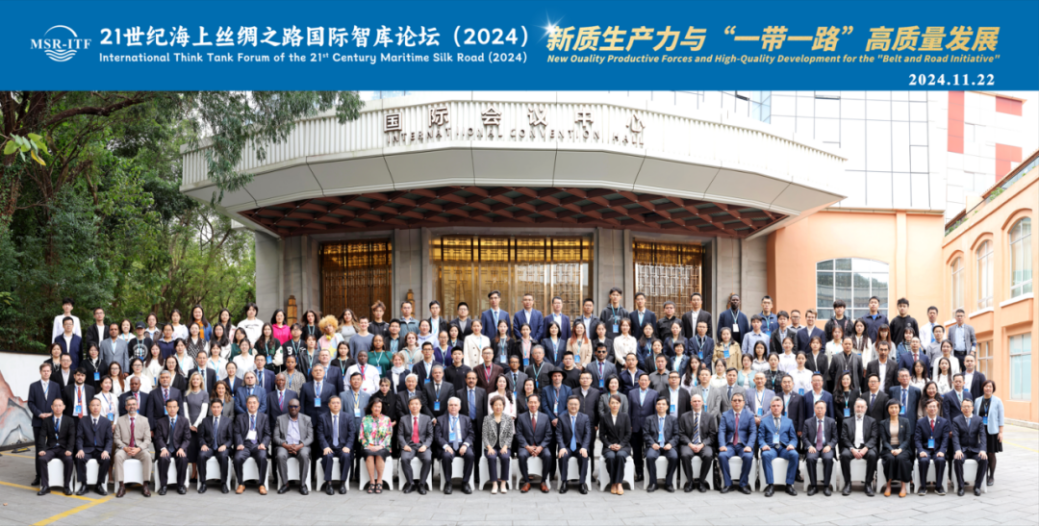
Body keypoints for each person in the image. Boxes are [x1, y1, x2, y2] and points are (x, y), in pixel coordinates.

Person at [113, 395, 153, 497]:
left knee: (147, 456)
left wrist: (139, 448)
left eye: (134, 404)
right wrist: (124, 447)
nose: (132, 406)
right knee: (117, 456)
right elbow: (116, 438)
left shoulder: (144, 420)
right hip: (125, 449)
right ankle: (121, 486)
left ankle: (145, 485)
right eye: (129, 405)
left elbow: (147, 439)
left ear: (137, 406)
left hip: (139, 449)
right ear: (126, 407)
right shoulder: (120, 420)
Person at [758, 396, 799, 496]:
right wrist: (763, 445)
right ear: (770, 407)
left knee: (794, 454)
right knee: (765, 455)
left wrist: (791, 444)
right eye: (773, 406)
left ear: (782, 407)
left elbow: (794, 438)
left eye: (778, 405)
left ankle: (789, 485)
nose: (776, 407)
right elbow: (760, 438)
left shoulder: (788, 421)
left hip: (784, 448)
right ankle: (770, 485)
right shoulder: (764, 421)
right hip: (770, 448)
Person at [35, 398, 75, 496]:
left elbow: (72, 436)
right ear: (52, 407)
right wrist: (41, 449)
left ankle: (66, 486)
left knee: (69, 460)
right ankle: (45, 486)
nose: (58, 407)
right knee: (42, 459)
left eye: (60, 405)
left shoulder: (69, 420)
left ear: (64, 407)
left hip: (63, 448)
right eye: (55, 405)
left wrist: (69, 449)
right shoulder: (47, 421)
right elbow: (42, 436)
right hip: (51, 448)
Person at [316, 396, 356, 494]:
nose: (336, 405)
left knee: (346, 456)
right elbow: (320, 434)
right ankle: (329, 483)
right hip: (329, 446)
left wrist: (348, 446)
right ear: (329, 405)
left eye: (338, 403)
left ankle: (342, 483)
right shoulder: (322, 417)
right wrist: (325, 447)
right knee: (328, 456)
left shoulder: (347, 417)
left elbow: (352, 433)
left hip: (342, 447)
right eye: (333, 403)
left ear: (341, 405)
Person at [73, 399, 112, 496]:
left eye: (97, 405)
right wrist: (80, 449)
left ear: (101, 407)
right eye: (93, 405)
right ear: (89, 407)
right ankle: (84, 485)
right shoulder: (83, 421)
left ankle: (99, 485)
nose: (95, 407)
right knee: (79, 458)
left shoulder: (106, 422)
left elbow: (109, 439)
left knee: (106, 459)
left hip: (100, 450)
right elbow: (79, 437)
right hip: (87, 449)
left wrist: (106, 451)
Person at [717, 392, 755, 494]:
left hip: (743, 445)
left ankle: (743, 484)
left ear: (743, 402)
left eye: (739, 400)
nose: (737, 402)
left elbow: (753, 432)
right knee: (722, 455)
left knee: (748, 456)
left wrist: (749, 446)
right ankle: (728, 484)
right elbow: (721, 431)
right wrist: (722, 445)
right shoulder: (725, 415)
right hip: (729, 445)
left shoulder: (750, 415)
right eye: (735, 400)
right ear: (731, 402)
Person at [676, 393, 714, 493]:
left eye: (698, 401)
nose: (697, 403)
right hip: (689, 444)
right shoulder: (684, 416)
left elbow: (712, 435)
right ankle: (690, 482)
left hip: (703, 444)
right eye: (694, 401)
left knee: (709, 455)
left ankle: (701, 481)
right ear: (691, 403)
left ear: (702, 402)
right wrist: (690, 444)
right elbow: (681, 433)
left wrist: (702, 444)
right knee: (684, 455)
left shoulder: (709, 417)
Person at [839, 398, 878, 496]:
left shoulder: (872, 421)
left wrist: (866, 448)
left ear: (866, 408)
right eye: (858, 407)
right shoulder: (846, 421)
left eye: (862, 407)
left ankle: (868, 484)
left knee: (872, 455)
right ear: (854, 407)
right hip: (851, 446)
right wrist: (852, 449)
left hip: (866, 447)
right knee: (844, 455)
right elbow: (844, 438)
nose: (860, 409)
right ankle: (848, 483)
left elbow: (874, 437)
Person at [436, 397, 475, 494]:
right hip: (448, 444)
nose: (453, 407)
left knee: (470, 455)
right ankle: (448, 483)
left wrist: (465, 445)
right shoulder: (440, 419)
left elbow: (471, 434)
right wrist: (446, 446)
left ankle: (465, 482)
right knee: (446, 456)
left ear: (459, 407)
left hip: (462, 444)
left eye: (455, 405)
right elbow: (437, 436)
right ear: (447, 407)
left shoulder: (466, 419)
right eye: (451, 405)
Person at [555, 396, 593, 495]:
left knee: (583, 456)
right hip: (567, 446)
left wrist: (584, 447)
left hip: (579, 446)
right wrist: (562, 447)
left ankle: (582, 483)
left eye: (575, 404)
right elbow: (558, 434)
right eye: (571, 404)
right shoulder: (562, 418)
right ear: (567, 405)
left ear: (579, 405)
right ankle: (564, 482)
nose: (573, 406)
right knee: (562, 456)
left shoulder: (585, 417)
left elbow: (588, 434)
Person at [233, 395, 270, 495]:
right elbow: (236, 432)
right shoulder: (240, 417)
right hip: (244, 444)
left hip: (258, 444)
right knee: (237, 458)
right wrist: (239, 443)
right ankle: (241, 483)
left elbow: (267, 434)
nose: (252, 405)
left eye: (254, 403)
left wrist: (263, 444)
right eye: (250, 403)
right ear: (246, 405)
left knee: (262, 457)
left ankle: (261, 484)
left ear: (258, 404)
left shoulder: (264, 417)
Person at [951, 398, 988, 496]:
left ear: (972, 408)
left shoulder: (978, 419)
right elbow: (955, 437)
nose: (966, 408)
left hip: (975, 449)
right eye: (964, 406)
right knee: (957, 459)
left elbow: (983, 436)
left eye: (968, 406)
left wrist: (983, 450)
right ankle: (961, 486)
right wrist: (958, 450)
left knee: (984, 459)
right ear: (961, 408)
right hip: (963, 449)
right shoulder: (956, 420)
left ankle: (977, 486)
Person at [155, 399, 191, 495]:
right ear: (166, 408)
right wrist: (163, 448)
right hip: (166, 447)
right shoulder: (161, 421)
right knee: (163, 458)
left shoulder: (184, 421)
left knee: (182, 459)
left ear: (178, 408)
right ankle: (163, 486)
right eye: (170, 407)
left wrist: (182, 448)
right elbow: (158, 438)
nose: (172, 409)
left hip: (179, 447)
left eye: (174, 407)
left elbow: (187, 438)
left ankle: (180, 485)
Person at [642, 397, 678, 492]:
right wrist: (652, 443)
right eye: (658, 404)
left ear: (667, 407)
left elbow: (677, 435)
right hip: (655, 446)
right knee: (650, 457)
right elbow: (645, 434)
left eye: (663, 404)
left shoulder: (673, 419)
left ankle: (668, 483)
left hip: (667, 446)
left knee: (674, 457)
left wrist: (670, 444)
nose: (661, 406)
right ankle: (653, 483)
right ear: (655, 406)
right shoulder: (649, 419)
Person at [399, 396, 434, 494]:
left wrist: (425, 446)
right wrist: (404, 445)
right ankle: (410, 483)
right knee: (404, 459)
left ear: (420, 406)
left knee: (427, 459)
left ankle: (422, 484)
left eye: (416, 404)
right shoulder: (403, 419)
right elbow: (400, 435)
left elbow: (430, 435)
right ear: (409, 406)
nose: (414, 406)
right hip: (409, 446)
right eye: (412, 404)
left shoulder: (427, 418)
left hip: (422, 445)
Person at [197, 398, 232, 494]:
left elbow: (231, 439)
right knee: (201, 455)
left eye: (218, 407)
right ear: (211, 408)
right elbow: (200, 437)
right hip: (209, 447)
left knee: (223, 456)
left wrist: (225, 445)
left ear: (222, 408)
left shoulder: (228, 421)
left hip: (222, 447)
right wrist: (203, 444)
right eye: (214, 407)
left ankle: (223, 483)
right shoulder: (205, 420)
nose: (216, 409)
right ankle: (203, 483)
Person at [915, 398, 950, 495]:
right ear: (926, 409)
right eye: (930, 406)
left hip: (938, 449)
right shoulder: (920, 422)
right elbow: (917, 439)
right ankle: (923, 486)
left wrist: (942, 451)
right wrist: (921, 450)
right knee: (923, 460)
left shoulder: (943, 422)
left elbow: (945, 439)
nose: (932, 408)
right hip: (925, 449)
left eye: (934, 406)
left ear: (937, 408)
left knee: (940, 460)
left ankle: (938, 487)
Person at [803, 399, 837, 496]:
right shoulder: (808, 422)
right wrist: (809, 446)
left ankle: (826, 486)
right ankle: (814, 486)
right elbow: (804, 437)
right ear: (814, 409)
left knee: (828, 458)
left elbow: (835, 437)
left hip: (826, 446)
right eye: (817, 408)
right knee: (810, 458)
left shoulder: (831, 421)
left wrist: (830, 446)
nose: (819, 410)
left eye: (822, 408)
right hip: (813, 446)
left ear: (825, 409)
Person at [878, 398, 912, 498]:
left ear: (899, 409)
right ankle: (888, 485)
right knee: (890, 458)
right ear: (887, 409)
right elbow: (884, 441)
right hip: (888, 448)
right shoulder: (883, 423)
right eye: (891, 407)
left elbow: (907, 439)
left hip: (903, 448)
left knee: (901, 458)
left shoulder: (905, 421)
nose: (894, 409)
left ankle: (903, 486)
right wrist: (891, 450)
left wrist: (900, 449)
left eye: (896, 407)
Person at [600, 393, 632, 495]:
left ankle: (618, 483)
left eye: (617, 403)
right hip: (609, 445)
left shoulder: (625, 416)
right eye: (612, 403)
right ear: (608, 404)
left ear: (620, 404)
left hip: (623, 445)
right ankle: (613, 482)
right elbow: (601, 435)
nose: (615, 405)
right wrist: (610, 445)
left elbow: (628, 433)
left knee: (620, 455)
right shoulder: (604, 417)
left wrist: (620, 445)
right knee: (610, 457)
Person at [482, 395, 514, 494]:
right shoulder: (487, 419)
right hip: (491, 447)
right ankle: (494, 483)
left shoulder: (508, 418)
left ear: (503, 406)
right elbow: (484, 435)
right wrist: (489, 448)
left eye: (500, 404)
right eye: (496, 405)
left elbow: (510, 435)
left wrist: (505, 447)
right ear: (492, 406)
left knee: (505, 457)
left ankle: (503, 483)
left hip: (504, 446)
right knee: (491, 457)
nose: (498, 407)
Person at [975, 380, 1003, 485]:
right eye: (986, 386)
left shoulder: (997, 401)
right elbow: (975, 415)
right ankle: (984, 475)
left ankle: (991, 476)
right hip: (980, 431)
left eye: (990, 386)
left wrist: (1001, 432)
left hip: (992, 431)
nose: (988, 388)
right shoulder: (977, 400)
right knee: (983, 453)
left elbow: (1001, 417)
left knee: (991, 453)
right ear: (983, 388)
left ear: (993, 388)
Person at [183, 372, 209, 472]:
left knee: (199, 447)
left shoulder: (205, 394)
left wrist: (195, 425)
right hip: (188, 424)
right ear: (191, 381)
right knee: (191, 448)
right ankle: (193, 471)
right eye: (193, 379)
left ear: (201, 381)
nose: (195, 381)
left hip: (200, 424)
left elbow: (203, 412)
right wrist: (189, 425)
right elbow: (185, 410)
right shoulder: (186, 393)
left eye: (197, 379)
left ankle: (198, 471)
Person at [888, 369, 923, 440]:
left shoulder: (916, 391)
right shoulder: (892, 390)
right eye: (902, 376)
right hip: (895, 422)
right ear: (898, 379)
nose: (904, 378)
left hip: (911, 423)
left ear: (910, 378)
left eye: (906, 376)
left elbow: (917, 407)